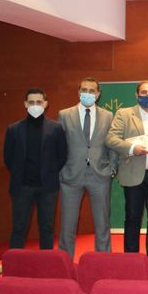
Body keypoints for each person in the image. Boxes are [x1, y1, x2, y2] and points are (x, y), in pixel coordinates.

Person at [105, 81, 148, 266]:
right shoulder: (124, 114)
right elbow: (111, 138)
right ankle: (131, 259)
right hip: (135, 173)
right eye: (143, 92)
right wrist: (132, 148)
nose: (147, 95)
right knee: (133, 218)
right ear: (137, 95)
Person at [57, 77, 117, 258]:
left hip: (100, 175)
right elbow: (58, 145)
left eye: (92, 91)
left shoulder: (107, 116)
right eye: (84, 90)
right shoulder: (64, 115)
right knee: (68, 224)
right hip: (71, 176)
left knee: (102, 223)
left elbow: (112, 144)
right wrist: (60, 169)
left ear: (98, 94)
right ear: (78, 92)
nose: (87, 94)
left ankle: (103, 261)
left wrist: (112, 167)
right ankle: (65, 262)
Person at [3, 88, 67, 249]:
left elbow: (62, 156)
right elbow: (8, 158)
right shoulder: (13, 129)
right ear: (25, 104)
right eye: (31, 102)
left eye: (39, 102)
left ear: (45, 104)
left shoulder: (56, 128)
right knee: (19, 227)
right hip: (22, 186)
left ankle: (46, 264)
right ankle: (14, 264)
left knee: (47, 227)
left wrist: (49, 172)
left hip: (48, 187)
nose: (35, 105)